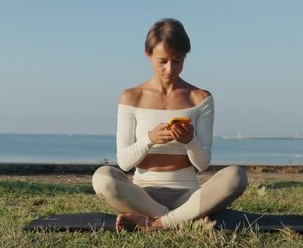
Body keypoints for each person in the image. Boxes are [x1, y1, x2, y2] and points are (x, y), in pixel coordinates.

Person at [92, 18, 248, 231]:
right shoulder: (131, 97)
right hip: (143, 196)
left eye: (177, 61)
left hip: (187, 195)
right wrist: (149, 140)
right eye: (162, 61)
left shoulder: (200, 98)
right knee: (102, 178)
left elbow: (202, 164)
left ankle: (157, 224)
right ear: (148, 55)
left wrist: (189, 141)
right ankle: (179, 220)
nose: (170, 69)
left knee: (236, 176)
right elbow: (125, 163)